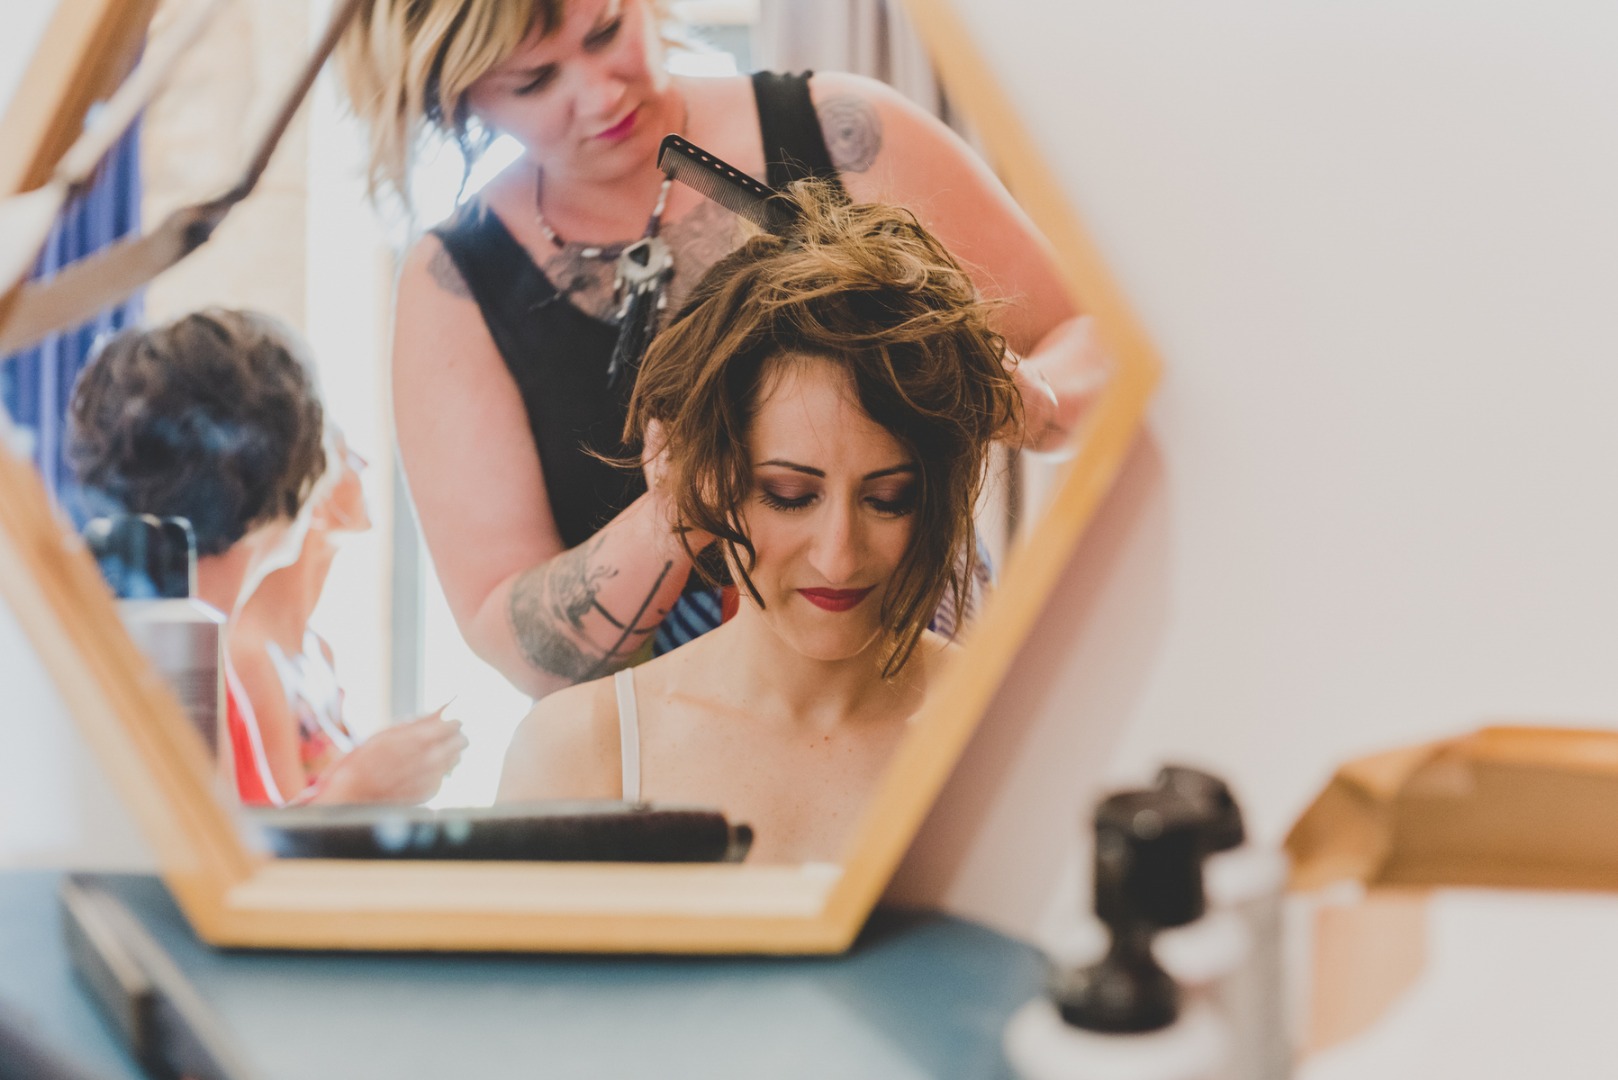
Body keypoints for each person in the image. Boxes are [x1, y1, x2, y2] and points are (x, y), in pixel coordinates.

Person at [338, 0, 1110, 701]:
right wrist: (679, 505)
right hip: (666, 776)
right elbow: (515, 641)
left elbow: (1099, 341)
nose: (603, 93)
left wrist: (1031, 400)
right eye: (535, 81)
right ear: (456, 100)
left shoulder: (845, 134)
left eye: (607, 31)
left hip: (931, 707)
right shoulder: (455, 286)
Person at [497, 185, 1020, 864]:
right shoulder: (581, 752)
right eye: (789, 494)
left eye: (888, 499)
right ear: (707, 472)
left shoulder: (1005, 737)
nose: (838, 558)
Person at [67, 309, 466, 806]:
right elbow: (208, 872)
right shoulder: (173, 647)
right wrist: (353, 794)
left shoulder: (168, 631)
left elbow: (245, 834)